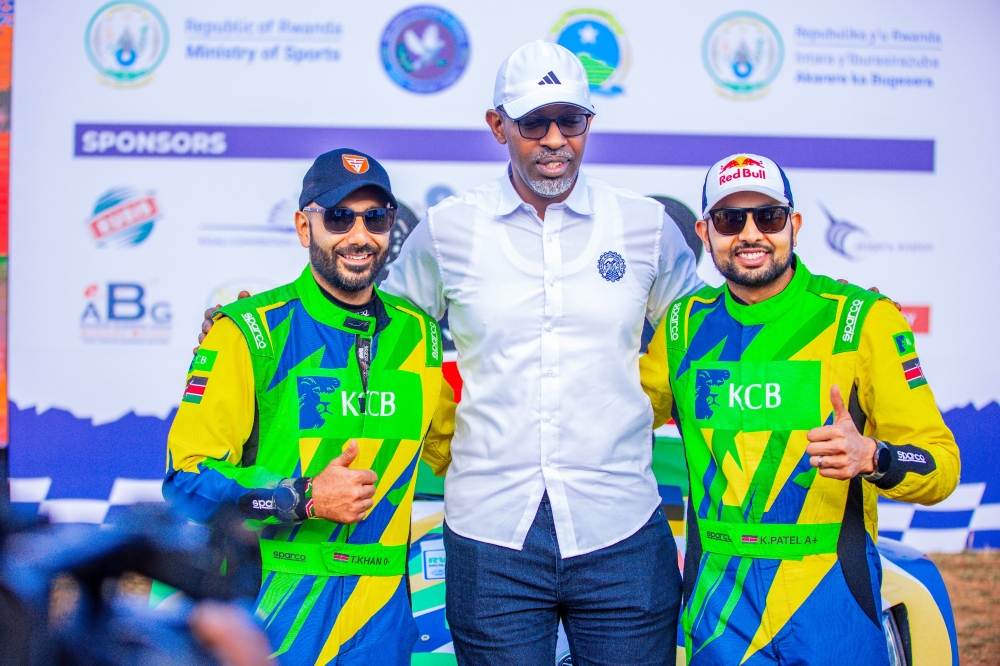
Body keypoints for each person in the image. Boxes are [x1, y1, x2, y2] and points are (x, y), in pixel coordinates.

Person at [379, 41, 701, 664]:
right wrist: (250, 332)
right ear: (498, 126)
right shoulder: (447, 231)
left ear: (589, 125)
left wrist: (831, 316)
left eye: (570, 121)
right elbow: (374, 330)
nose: (555, 139)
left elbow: (713, 330)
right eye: (533, 123)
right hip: (490, 533)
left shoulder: (645, 226)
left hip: (623, 528)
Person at [640, 153, 961, 665]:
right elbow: (617, 413)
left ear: (795, 224)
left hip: (830, 596)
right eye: (729, 219)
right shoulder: (681, 328)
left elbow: (941, 465)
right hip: (721, 606)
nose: (750, 234)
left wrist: (874, 457)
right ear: (704, 231)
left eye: (768, 217)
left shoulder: (863, 320)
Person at [164, 148, 454, 666]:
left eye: (376, 218)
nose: (360, 236)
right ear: (305, 226)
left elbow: (462, 453)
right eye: (340, 217)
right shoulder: (249, 332)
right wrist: (301, 498)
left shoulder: (421, 336)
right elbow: (184, 483)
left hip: (383, 622)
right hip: (275, 613)